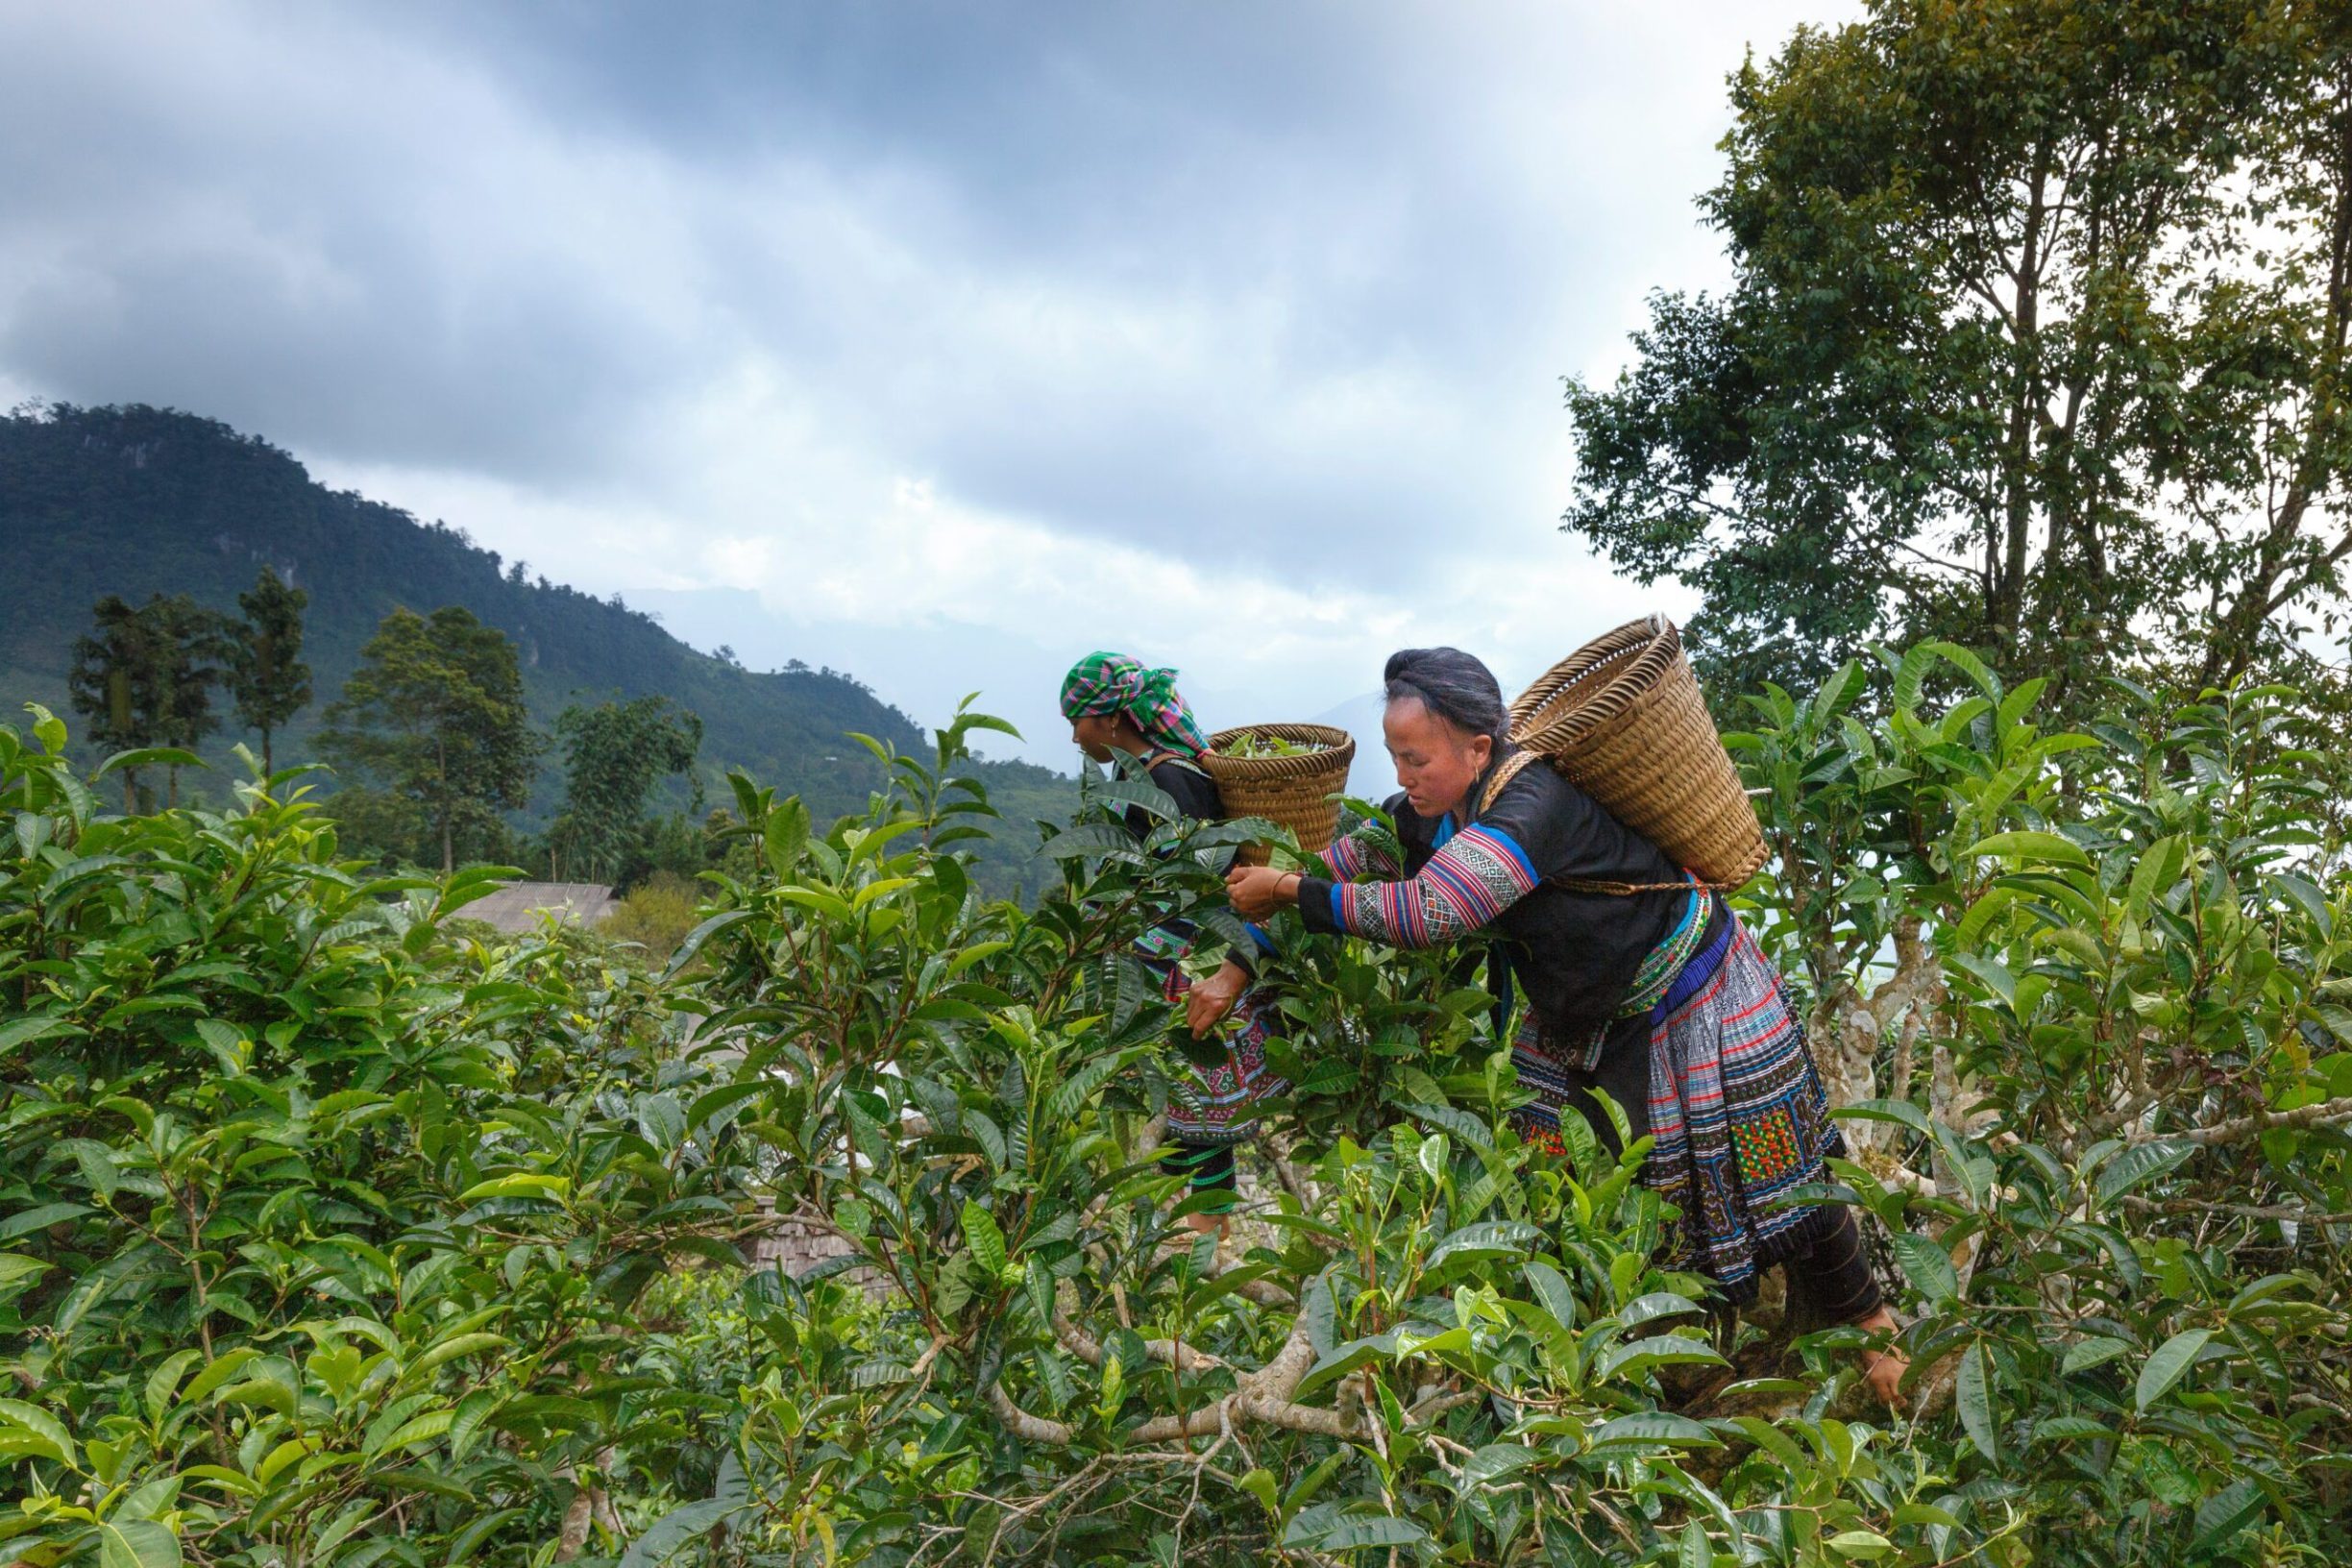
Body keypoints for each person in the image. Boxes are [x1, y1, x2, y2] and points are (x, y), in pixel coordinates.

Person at [1224, 646, 1909, 1403]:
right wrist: (1238, 961)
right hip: (1582, 1015)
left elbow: (1433, 912)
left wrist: (1285, 891)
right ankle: (1607, 1374)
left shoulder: (1532, 804)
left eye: (1415, 757)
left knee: (1776, 1161)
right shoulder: (1423, 817)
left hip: (1695, 985)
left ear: (1478, 748)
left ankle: (1872, 1328)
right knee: (1557, 1176)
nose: (1401, 776)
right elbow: (1339, 867)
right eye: (1395, 756)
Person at [1059, 651, 1285, 1233]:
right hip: (1175, 966)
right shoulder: (1151, 773)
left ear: (1109, 720)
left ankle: (1207, 1246)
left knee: (1199, 1120)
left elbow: (1190, 882)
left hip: (1189, 970)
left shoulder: (1169, 779)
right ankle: (1187, 1241)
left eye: (1076, 720)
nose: (1074, 736)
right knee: (1183, 1119)